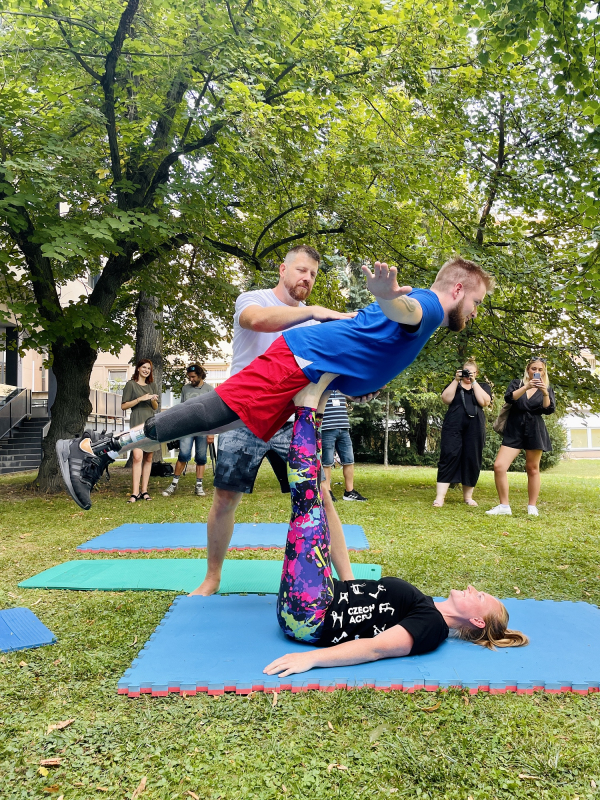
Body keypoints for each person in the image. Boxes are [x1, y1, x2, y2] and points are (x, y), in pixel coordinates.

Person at [57, 256, 495, 514]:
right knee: (219, 410)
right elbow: (406, 311)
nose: (475, 312)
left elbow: (380, 334)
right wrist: (385, 295)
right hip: (301, 360)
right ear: (458, 289)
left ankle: (100, 449)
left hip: (308, 371)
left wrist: (354, 382)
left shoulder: (424, 309)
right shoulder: (429, 306)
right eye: (476, 301)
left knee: (220, 421)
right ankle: (93, 448)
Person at [262, 388, 527, 678]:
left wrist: (311, 659)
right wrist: (327, 503)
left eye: (480, 597)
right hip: (323, 595)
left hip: (311, 614)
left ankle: (307, 405)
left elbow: (376, 648)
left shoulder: (432, 625)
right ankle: (318, 407)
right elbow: (351, 586)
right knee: (315, 494)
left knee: (305, 501)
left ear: (477, 621)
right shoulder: (426, 605)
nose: (473, 588)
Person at [486, 357, 555, 517]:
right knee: (499, 466)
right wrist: (526, 387)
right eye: (533, 369)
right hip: (514, 428)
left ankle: (532, 506)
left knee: (532, 468)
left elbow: (548, 409)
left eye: (540, 369)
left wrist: (545, 393)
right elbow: (509, 398)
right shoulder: (517, 384)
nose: (536, 372)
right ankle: (504, 506)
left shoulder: (547, 388)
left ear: (544, 372)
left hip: (535, 429)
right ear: (528, 369)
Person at [433, 360, 492, 508]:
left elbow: (484, 402)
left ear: (476, 373)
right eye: (465, 371)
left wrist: (474, 382)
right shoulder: (454, 384)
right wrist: (456, 380)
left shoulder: (483, 386)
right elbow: (446, 399)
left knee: (472, 458)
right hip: (453, 426)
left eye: (471, 372)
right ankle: (440, 498)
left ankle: (468, 497)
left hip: (475, 427)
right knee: (448, 455)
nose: (467, 375)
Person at [162, 364, 215, 498]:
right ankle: (174, 484)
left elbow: (212, 413)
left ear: (200, 375)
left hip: (203, 429)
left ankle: (199, 486)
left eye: (193, 377)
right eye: (189, 377)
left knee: (201, 457)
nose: (191, 379)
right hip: (187, 428)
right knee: (183, 455)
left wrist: (211, 433)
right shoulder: (185, 389)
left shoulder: (210, 390)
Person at [120, 359, 159, 502]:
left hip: (151, 422)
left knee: (148, 457)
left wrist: (153, 399)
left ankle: (144, 491)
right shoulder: (131, 384)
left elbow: (155, 407)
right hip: (137, 422)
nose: (146, 370)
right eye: (144, 367)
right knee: (137, 457)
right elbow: (124, 406)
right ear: (138, 368)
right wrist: (140, 399)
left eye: (149, 368)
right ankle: (135, 493)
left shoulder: (152, 385)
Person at [321, 390, 367, 502]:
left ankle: (349, 492)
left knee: (349, 460)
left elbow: (353, 395)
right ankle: (327, 492)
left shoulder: (341, 387)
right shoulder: (322, 386)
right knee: (327, 462)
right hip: (326, 428)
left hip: (344, 428)